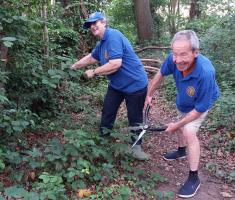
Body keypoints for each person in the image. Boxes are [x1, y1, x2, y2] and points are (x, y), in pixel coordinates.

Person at [145, 30, 220, 198]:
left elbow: (200, 109)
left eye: (184, 55)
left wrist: (177, 125)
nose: (178, 60)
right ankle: (181, 150)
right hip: (184, 100)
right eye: (175, 54)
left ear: (196, 52)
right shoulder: (175, 59)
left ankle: (194, 178)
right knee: (180, 122)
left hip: (201, 103)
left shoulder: (206, 73)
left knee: (188, 130)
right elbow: (160, 75)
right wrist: (149, 94)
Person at [71, 12, 150, 160]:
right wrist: (74, 66)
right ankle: (103, 139)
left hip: (135, 84)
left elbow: (115, 64)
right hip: (117, 85)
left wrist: (93, 72)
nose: (92, 26)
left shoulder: (113, 36)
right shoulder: (101, 44)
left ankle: (136, 148)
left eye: (95, 23)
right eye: (90, 25)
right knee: (108, 110)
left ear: (104, 22)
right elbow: (91, 58)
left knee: (135, 116)